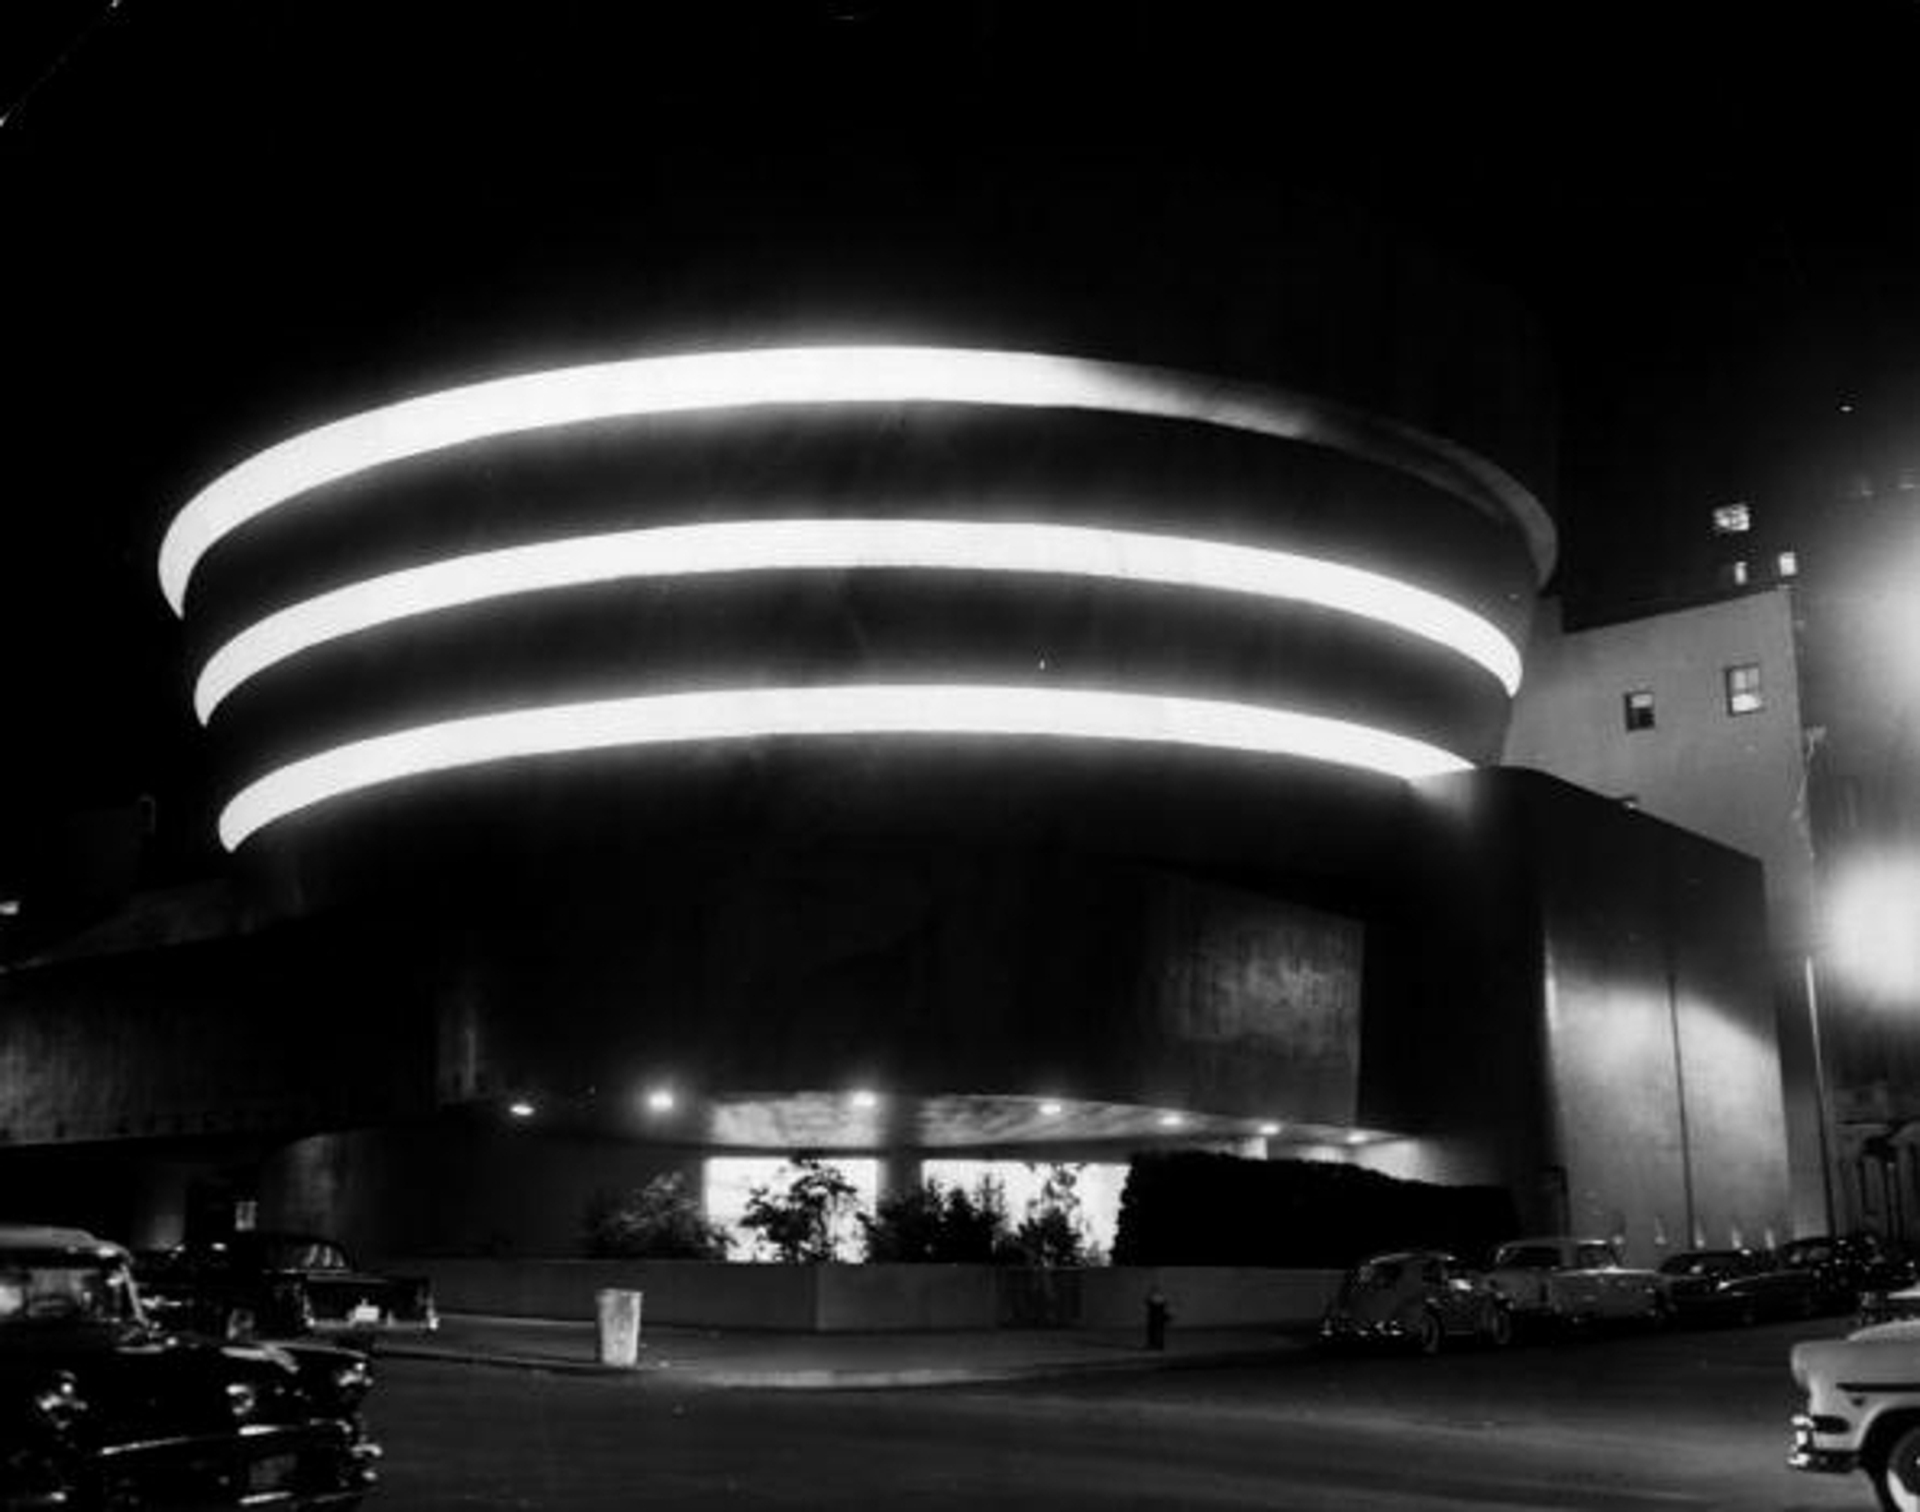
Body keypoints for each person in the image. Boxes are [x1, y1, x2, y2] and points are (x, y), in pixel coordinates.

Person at [1144, 1283, 1171, 1350]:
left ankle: (1154, 1345)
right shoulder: (1161, 1298)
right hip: (1159, 1318)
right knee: (1159, 1332)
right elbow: (1164, 1305)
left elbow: (1147, 1302)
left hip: (1154, 1318)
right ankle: (1158, 1345)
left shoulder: (1153, 1297)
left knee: (1154, 1332)